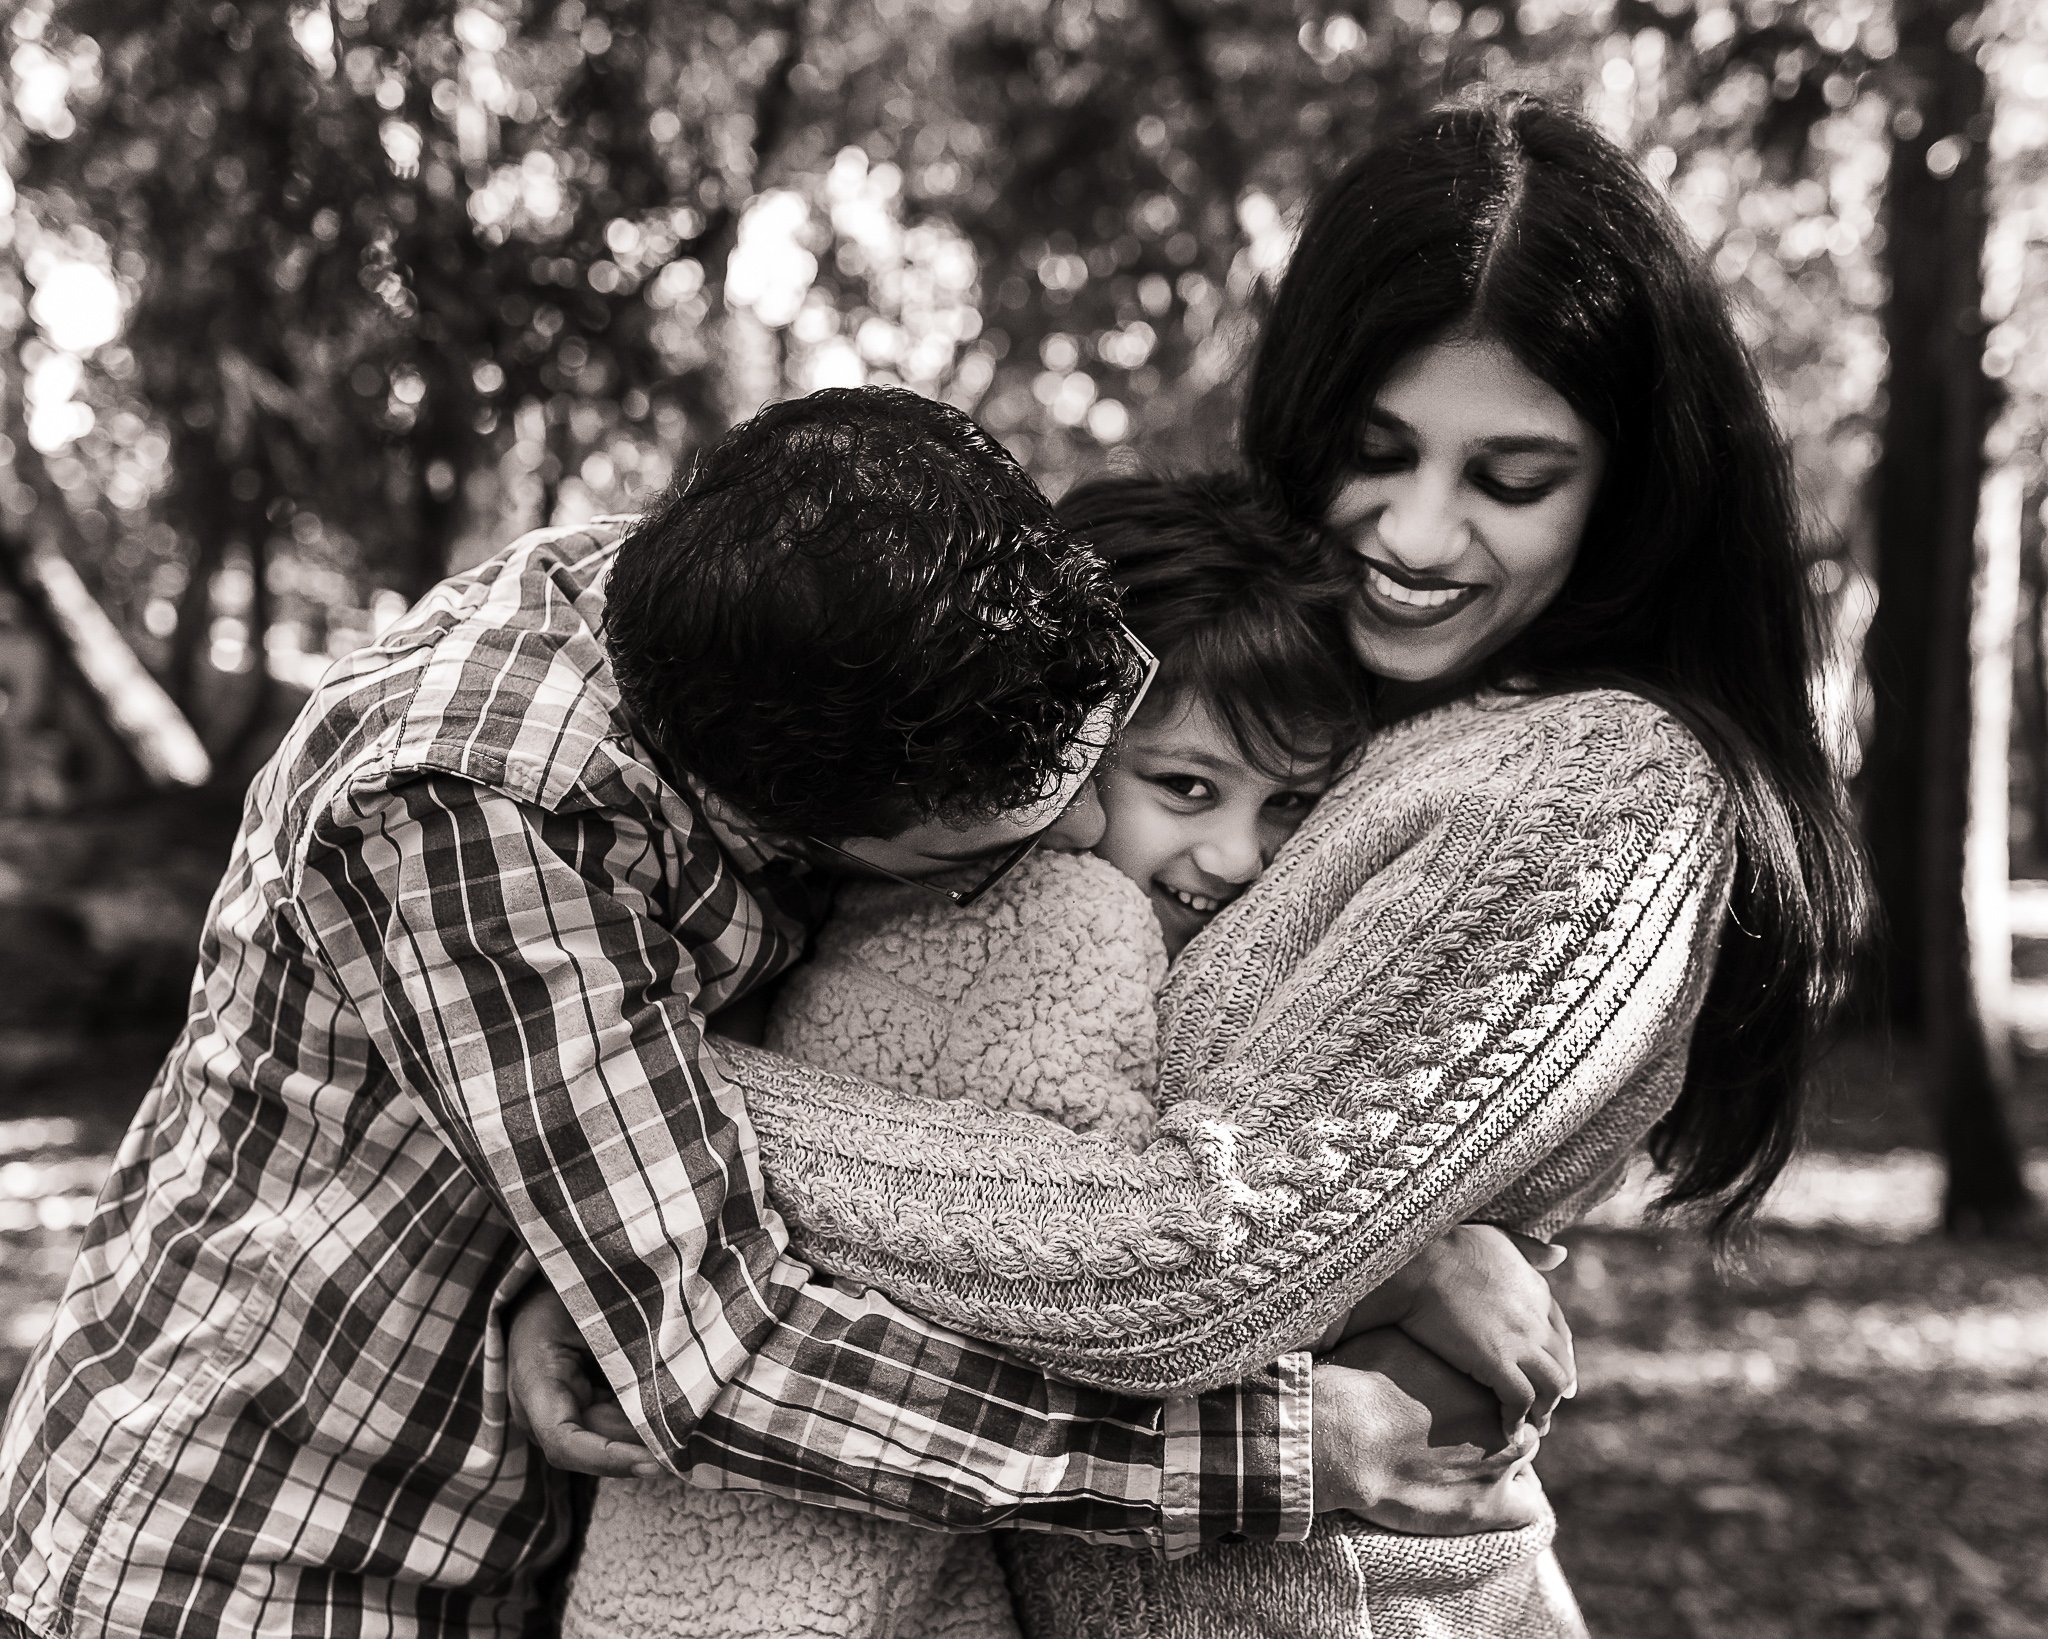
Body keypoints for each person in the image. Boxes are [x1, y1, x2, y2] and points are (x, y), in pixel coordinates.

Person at [519, 91, 1867, 1636]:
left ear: (1631, 485)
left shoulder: (1587, 785)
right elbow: (1095, 1119)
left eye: (1511, 479)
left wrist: (625, 1119)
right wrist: (632, 1272)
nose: (1419, 534)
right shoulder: (1299, 688)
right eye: (1377, 451)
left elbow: (1189, 1272)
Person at [0, 389, 1520, 1639]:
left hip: (526, 1525)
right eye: (1001, 831)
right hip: (269, 1546)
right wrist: (1252, 1452)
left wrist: (1390, 1218)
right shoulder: (475, 810)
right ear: (793, 825)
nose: (1067, 838)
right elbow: (715, 1347)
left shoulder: (808, 609)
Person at [556, 475, 1571, 1639]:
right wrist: (1398, 1260)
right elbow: (1085, 1256)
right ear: (1058, 754)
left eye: (1289, 804)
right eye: (1184, 786)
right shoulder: (1048, 922)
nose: (1236, 855)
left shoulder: (1065, 914)